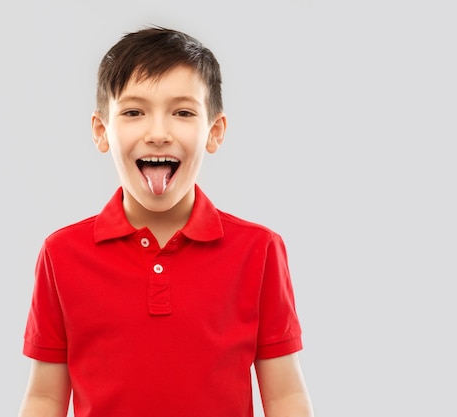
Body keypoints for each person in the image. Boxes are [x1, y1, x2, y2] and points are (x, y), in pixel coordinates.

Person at [17, 26, 314, 417]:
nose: (158, 133)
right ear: (102, 130)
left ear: (215, 130)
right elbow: (45, 398)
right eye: (134, 112)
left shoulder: (259, 251)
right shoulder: (61, 255)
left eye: (183, 112)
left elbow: (285, 397)